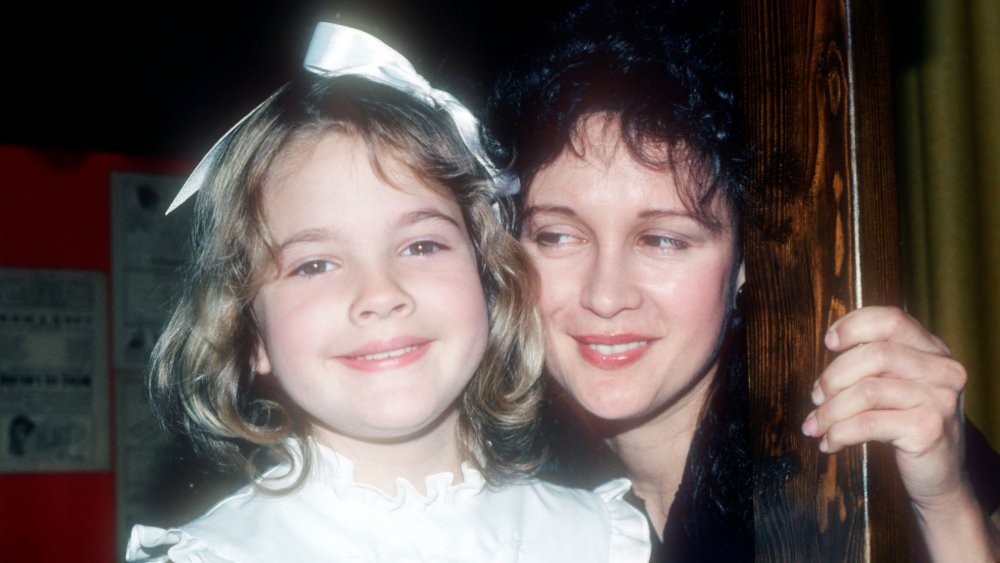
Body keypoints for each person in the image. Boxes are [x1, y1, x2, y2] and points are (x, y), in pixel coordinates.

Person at [486, 1, 1000, 561]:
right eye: (559, 236)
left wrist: (945, 503)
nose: (605, 297)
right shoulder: (484, 475)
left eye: (663, 240)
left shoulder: (856, 409)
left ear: (745, 262)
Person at [125, 23, 650, 562]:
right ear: (249, 331)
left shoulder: (600, 539)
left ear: (490, 281)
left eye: (421, 246)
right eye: (315, 265)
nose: (379, 294)